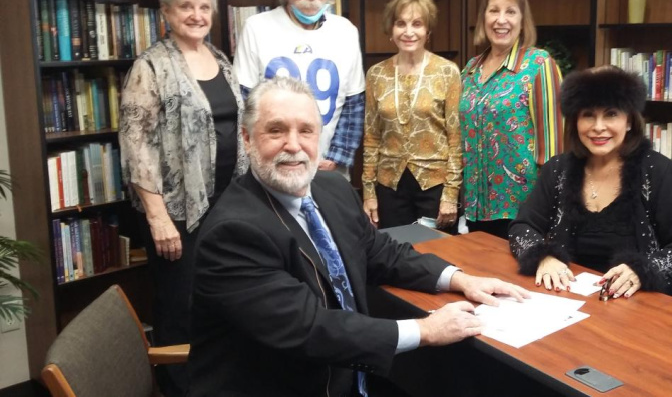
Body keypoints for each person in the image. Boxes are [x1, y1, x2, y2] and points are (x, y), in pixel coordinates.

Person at [188, 76, 529, 396]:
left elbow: (381, 252)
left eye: (306, 131)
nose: (293, 145)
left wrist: (459, 279)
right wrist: (424, 331)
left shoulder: (331, 188)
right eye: (275, 131)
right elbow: (310, 328)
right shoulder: (233, 233)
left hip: (348, 375)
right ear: (247, 139)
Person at [119, 0, 249, 396]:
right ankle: (178, 387)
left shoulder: (219, 58)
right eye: (186, 7)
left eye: (204, 7)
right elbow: (135, 145)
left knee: (221, 295)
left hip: (226, 206)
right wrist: (157, 218)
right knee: (180, 303)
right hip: (176, 213)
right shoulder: (150, 66)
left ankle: (215, 377)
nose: (196, 15)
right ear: (167, 13)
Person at [508, 66, 672, 306]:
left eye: (611, 114)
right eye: (588, 115)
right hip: (573, 301)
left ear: (629, 122)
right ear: (575, 121)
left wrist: (643, 270)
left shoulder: (658, 172)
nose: (598, 127)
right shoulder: (557, 170)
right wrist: (543, 257)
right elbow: (522, 227)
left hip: (651, 304)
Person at [233, 0, 364, 177]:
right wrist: (260, 153)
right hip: (274, 164)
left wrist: (337, 156)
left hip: (328, 168)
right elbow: (243, 101)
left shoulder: (346, 31)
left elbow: (354, 104)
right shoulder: (257, 27)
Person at [460, 0, 564, 239]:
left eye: (510, 11)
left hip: (522, 210)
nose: (501, 20)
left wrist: (547, 208)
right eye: (493, 10)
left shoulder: (539, 64)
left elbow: (553, 147)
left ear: (522, 19)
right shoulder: (470, 69)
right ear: (483, 16)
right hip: (475, 208)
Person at [362, 0, 462, 231]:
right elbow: (371, 137)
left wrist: (451, 195)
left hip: (434, 185)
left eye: (417, 24)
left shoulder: (447, 72)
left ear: (428, 31)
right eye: (401, 23)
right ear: (391, 29)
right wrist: (368, 192)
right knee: (395, 259)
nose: (408, 32)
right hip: (389, 186)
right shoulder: (376, 74)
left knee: (437, 259)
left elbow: (456, 139)